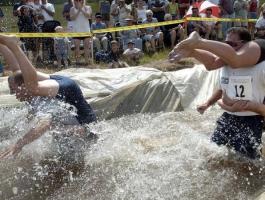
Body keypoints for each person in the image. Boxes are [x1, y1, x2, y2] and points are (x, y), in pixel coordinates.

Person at [0, 34, 97, 159]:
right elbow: (16, 70)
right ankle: (7, 43)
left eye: (15, 91)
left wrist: (18, 144)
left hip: (86, 128)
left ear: (22, 87)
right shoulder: (27, 89)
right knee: (19, 73)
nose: (14, 95)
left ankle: (13, 45)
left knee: (33, 90)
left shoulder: (41, 100)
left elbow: (45, 123)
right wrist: (3, 46)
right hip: (61, 83)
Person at [189, 27, 265, 159]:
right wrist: (207, 103)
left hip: (252, 119)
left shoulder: (261, 66)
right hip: (228, 117)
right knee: (213, 154)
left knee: (246, 163)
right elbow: (222, 88)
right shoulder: (224, 64)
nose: (227, 48)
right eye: (226, 44)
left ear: (245, 45)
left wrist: (237, 106)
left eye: (232, 44)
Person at [169, 28, 265, 69]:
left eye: (231, 44)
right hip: (236, 109)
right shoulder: (232, 55)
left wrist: (200, 43)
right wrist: (193, 52)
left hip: (260, 45)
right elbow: (212, 64)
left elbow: (236, 61)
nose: (228, 46)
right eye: (226, 43)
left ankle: (199, 40)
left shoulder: (252, 45)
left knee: (235, 60)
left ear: (244, 43)